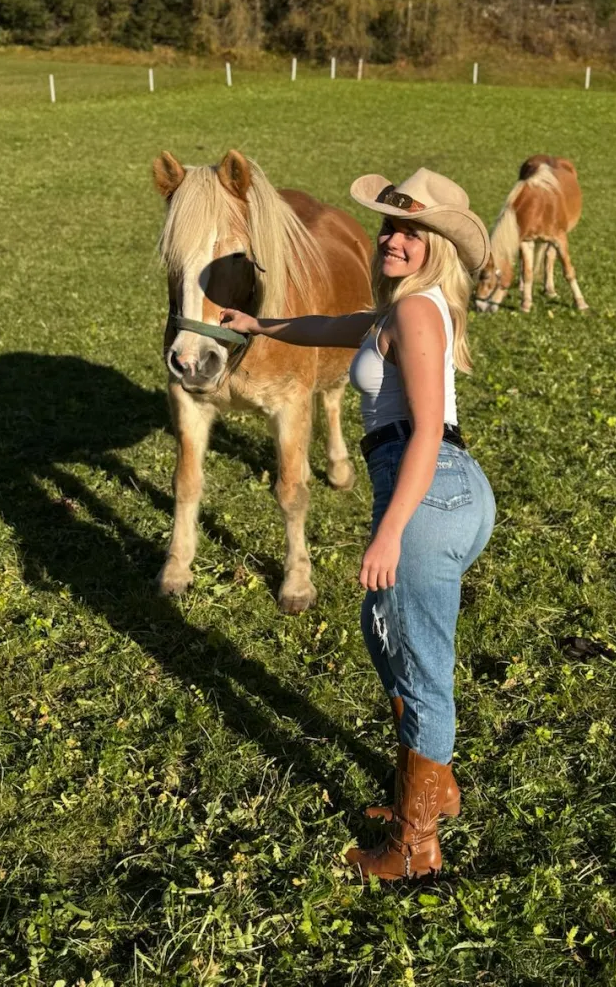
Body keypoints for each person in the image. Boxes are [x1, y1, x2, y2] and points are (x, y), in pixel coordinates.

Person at [220, 168, 496, 880]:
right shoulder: (396, 312)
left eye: (414, 231)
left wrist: (391, 529)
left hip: (425, 488)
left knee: (423, 668)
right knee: (386, 634)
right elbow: (330, 328)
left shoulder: (417, 312)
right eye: (392, 226)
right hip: (434, 488)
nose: (396, 240)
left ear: (439, 245)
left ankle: (416, 843)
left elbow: (430, 430)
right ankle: (428, 785)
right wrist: (261, 324)